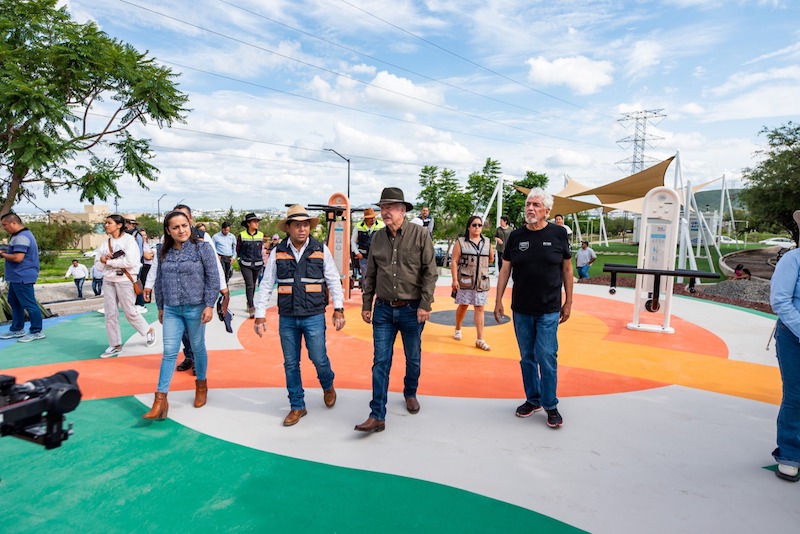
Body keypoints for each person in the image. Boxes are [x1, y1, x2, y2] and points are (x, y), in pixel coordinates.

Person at [254, 205, 345, 427]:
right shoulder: (278, 251)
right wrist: (260, 314)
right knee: (291, 363)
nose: (302, 229)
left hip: (313, 315)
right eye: (297, 225)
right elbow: (267, 284)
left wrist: (339, 309)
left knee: (319, 358)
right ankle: (297, 405)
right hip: (287, 317)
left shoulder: (321, 249)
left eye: (305, 225)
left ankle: (328, 384)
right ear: (288, 228)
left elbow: (333, 279)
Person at [355, 187, 438, 433]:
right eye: (383, 207)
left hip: (412, 309)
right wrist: (366, 303)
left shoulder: (420, 234)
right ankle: (377, 414)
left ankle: (410, 391)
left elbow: (430, 272)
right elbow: (370, 273)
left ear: (403, 210)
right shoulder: (378, 237)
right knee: (380, 361)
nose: (385, 212)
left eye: (390, 207)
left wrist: (425, 304)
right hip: (382, 309)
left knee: (413, 357)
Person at [494, 188, 573, 429]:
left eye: (536, 205)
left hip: (549, 308)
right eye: (529, 204)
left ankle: (550, 404)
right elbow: (505, 270)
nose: (530, 208)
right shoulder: (516, 237)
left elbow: (567, 270)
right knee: (527, 357)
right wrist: (497, 301)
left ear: (547, 211)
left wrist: (568, 301)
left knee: (546, 356)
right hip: (521, 309)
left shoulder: (559, 234)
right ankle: (533, 399)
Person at [143, 210, 220, 420]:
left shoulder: (202, 248)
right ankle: (160, 399)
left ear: (190, 224)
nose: (181, 230)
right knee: (169, 351)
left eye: (184, 225)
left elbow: (213, 278)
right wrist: (160, 306)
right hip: (171, 309)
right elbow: (159, 280)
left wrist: (209, 305)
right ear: (168, 230)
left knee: (197, 346)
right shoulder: (162, 251)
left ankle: (201, 386)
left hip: (196, 308)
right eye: (175, 227)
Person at [94, 214, 156, 358]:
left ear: (119, 225)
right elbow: (97, 264)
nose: (106, 225)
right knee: (110, 313)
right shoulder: (105, 243)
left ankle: (148, 331)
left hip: (125, 281)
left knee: (130, 311)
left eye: (109, 223)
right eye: (106, 223)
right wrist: (103, 261)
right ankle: (115, 344)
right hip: (108, 280)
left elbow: (130, 262)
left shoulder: (129, 241)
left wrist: (108, 262)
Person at [769, 230, 800, 482]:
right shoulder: (793, 260)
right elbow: (780, 301)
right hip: (793, 336)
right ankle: (790, 455)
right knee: (796, 395)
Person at [0, 212, 45, 342]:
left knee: (29, 304)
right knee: (15, 303)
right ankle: (17, 329)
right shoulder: (20, 236)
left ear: (14, 223)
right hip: (16, 277)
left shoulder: (22, 237)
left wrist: (2, 254)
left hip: (22, 276)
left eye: (5, 225)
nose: (4, 228)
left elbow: (18, 257)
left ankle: (37, 331)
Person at [451, 215, 494, 350]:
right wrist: (455, 279)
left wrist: (480, 268)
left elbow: (491, 258)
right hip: (465, 280)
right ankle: (458, 327)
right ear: (469, 227)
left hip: (481, 282)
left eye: (479, 225)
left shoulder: (487, 242)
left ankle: (480, 339)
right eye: (474, 225)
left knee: (480, 308)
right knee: (463, 305)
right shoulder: (461, 242)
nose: (477, 227)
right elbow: (454, 261)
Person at [237, 212, 264, 318]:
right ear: (248, 223)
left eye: (257, 221)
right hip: (245, 264)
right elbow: (238, 249)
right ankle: (252, 307)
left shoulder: (261, 235)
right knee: (249, 285)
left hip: (257, 264)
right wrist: (239, 260)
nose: (256, 223)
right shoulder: (242, 235)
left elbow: (261, 249)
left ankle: (249, 302)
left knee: (253, 285)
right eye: (254, 221)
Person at [351, 207, 384, 277]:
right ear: (365, 218)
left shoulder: (382, 225)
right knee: (366, 276)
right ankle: (366, 288)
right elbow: (353, 241)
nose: (372, 219)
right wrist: (357, 253)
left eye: (373, 217)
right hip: (364, 256)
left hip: (378, 256)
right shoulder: (358, 226)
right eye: (370, 218)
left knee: (378, 276)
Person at [125, 218, 147, 311]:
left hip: (136, 264)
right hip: (131, 263)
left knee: (136, 283)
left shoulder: (136, 235)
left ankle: (140, 303)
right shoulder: (128, 234)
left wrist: (136, 262)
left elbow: (139, 251)